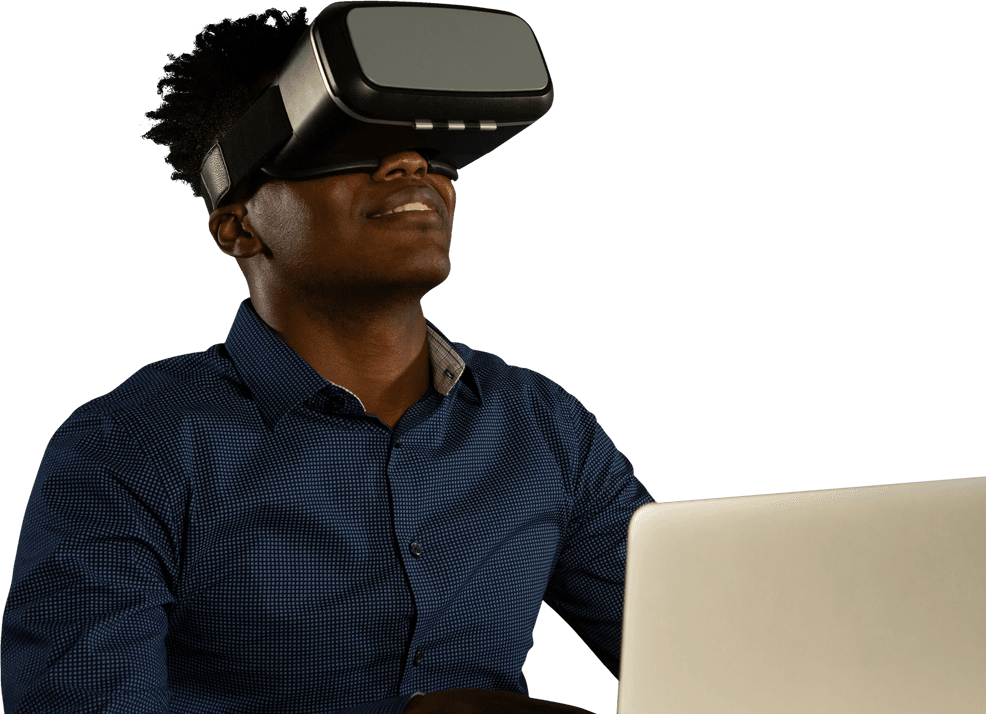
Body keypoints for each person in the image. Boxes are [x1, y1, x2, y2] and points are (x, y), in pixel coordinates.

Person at [0, 6, 654, 714]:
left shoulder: (545, 428)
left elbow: (708, 646)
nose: (410, 165)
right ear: (239, 225)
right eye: (349, 142)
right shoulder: (130, 448)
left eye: (429, 149)